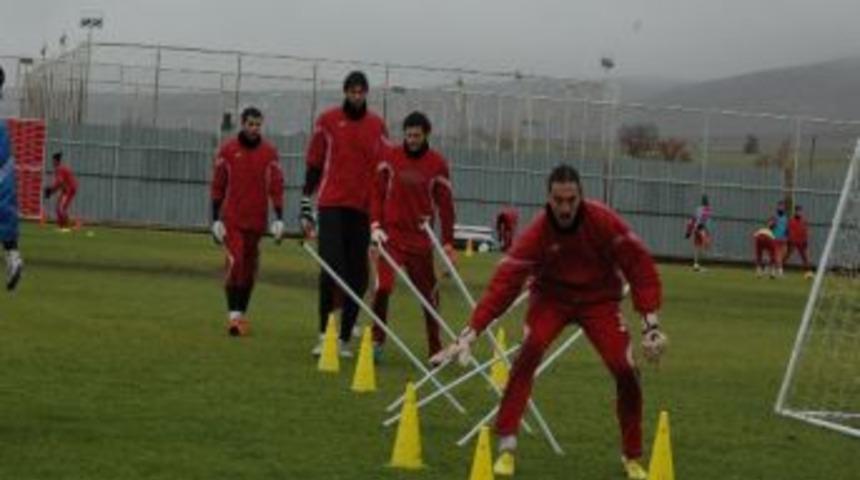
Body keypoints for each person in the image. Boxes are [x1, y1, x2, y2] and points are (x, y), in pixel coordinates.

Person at [432, 164, 667, 479]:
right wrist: (470, 332)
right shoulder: (537, 233)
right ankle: (507, 444)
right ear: (548, 199)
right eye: (559, 200)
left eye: (571, 199)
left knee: (625, 369)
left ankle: (632, 455)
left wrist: (651, 323)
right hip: (551, 300)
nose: (566, 207)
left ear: (581, 196)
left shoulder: (603, 221)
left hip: (600, 302)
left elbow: (639, 264)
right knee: (529, 351)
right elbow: (503, 284)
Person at [301, 71, 388, 357]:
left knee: (359, 275)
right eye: (352, 91)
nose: (356, 95)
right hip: (331, 204)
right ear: (345, 92)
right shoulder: (327, 121)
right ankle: (324, 334)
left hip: (362, 208)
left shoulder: (377, 126)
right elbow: (314, 163)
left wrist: (383, 210)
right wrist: (305, 201)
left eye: (361, 91)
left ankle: (344, 338)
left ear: (366, 93)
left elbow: (385, 170)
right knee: (331, 268)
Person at [369, 111, 456, 363]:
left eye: (416, 135)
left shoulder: (437, 163)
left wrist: (448, 242)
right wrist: (375, 224)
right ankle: (376, 341)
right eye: (408, 135)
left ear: (426, 134)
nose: (412, 140)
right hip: (391, 237)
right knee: (383, 287)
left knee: (429, 297)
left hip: (420, 241)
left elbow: (446, 206)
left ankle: (435, 349)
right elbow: (376, 192)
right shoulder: (391, 157)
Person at [210, 106, 284, 337]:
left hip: (257, 221)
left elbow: (276, 186)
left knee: (249, 270)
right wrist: (214, 219)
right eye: (250, 124)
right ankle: (233, 316)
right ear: (242, 124)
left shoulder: (270, 153)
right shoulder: (228, 150)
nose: (254, 128)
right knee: (237, 261)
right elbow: (218, 186)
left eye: (257, 125)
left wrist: (279, 217)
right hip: (232, 220)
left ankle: (241, 314)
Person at [0, 120, 23, 290]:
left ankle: (12, 261)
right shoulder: (3, 129)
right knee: (7, 224)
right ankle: (14, 259)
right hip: (6, 180)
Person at [43, 151, 78, 231]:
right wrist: (52, 191)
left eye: (53, 160)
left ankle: (67, 227)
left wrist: (52, 191)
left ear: (56, 161)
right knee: (59, 207)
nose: (52, 162)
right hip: (68, 188)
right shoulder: (60, 169)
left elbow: (60, 183)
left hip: (69, 189)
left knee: (61, 208)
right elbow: (59, 183)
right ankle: (62, 226)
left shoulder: (59, 169)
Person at [684, 194, 711, 271]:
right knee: (703, 245)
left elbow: (693, 219)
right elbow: (703, 220)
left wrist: (689, 231)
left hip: (696, 228)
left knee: (697, 246)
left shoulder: (698, 208)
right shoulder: (707, 209)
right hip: (701, 228)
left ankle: (696, 264)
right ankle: (698, 264)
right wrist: (705, 230)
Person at [785, 205, 813, 278]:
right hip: (793, 241)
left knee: (805, 257)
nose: (799, 213)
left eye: (800, 211)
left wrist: (805, 240)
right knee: (787, 255)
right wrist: (789, 240)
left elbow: (805, 231)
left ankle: (808, 272)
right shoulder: (791, 221)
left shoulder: (803, 221)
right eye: (798, 211)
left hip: (801, 242)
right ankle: (779, 269)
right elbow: (788, 231)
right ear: (795, 212)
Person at [768, 201, 789, 277]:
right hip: (775, 239)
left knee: (783, 254)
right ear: (777, 207)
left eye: (782, 207)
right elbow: (769, 226)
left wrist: (787, 236)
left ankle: (772, 269)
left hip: (783, 239)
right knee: (778, 256)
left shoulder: (785, 217)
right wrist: (772, 224)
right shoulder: (774, 216)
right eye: (780, 206)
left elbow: (786, 228)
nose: (781, 208)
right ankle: (780, 272)